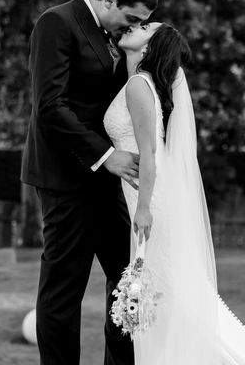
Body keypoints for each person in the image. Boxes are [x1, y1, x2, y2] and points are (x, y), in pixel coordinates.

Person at [20, 0, 157, 365]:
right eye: (131, 19)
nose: (132, 28)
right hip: (66, 178)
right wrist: (106, 156)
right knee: (65, 291)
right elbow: (50, 106)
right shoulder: (57, 23)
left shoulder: (114, 35)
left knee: (129, 281)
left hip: (105, 182)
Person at [104, 22, 245, 364]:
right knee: (166, 290)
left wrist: (144, 209)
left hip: (149, 197)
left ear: (149, 48)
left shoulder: (139, 85)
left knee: (165, 290)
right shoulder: (141, 83)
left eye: (144, 27)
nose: (135, 26)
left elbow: (149, 154)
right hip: (147, 192)